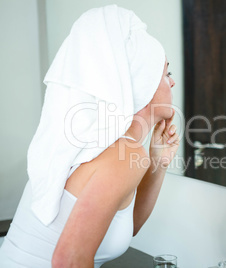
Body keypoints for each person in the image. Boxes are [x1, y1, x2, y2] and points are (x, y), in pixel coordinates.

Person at [0, 5, 179, 267]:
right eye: (166, 73)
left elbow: (126, 228)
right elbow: (68, 260)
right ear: (144, 82)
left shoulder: (96, 145)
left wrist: (158, 161)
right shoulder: (124, 154)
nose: (172, 82)